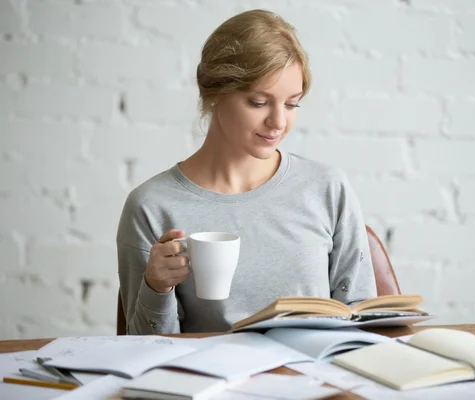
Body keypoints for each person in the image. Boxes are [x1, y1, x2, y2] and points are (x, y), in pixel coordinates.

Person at [116, 9, 377, 335]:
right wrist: (157, 287)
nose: (279, 122)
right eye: (258, 102)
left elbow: (362, 324)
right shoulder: (151, 206)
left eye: (292, 104)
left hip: (314, 380)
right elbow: (142, 350)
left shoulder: (327, 188)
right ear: (214, 93)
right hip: (212, 383)